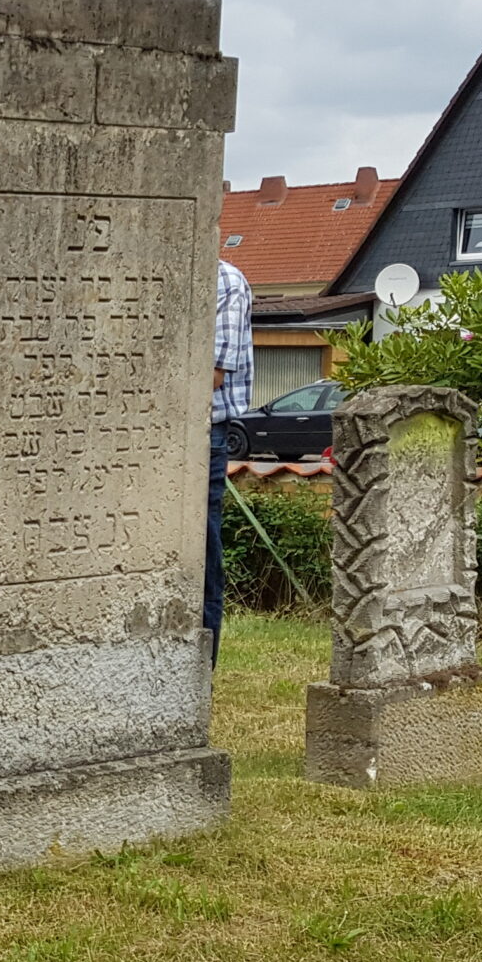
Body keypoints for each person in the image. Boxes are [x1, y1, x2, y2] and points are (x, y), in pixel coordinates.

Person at [207, 256, 254, 668]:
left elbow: (212, 374)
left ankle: (200, 670)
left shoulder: (224, 280)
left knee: (202, 549)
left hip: (206, 435)